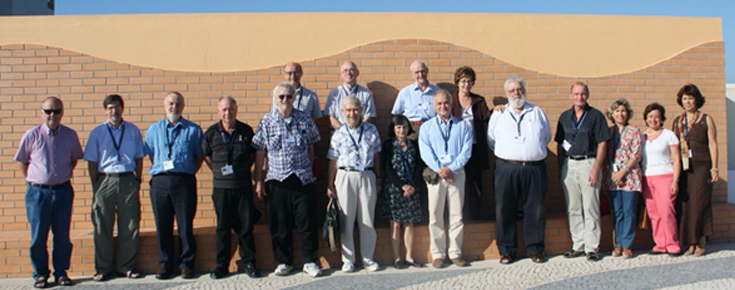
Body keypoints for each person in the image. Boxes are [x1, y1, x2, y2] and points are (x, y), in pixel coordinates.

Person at [253, 82, 322, 277]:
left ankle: (310, 261)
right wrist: (259, 179)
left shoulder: (305, 118)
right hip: (276, 180)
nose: (285, 100)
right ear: (275, 99)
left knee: (306, 223)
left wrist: (311, 171)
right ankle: (284, 261)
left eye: (289, 96)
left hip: (302, 179)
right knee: (279, 224)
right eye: (281, 96)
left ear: (294, 98)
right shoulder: (267, 121)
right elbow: (260, 151)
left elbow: (311, 146)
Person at [15, 96, 83, 288]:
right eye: (48, 111)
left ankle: (61, 272)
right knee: (38, 236)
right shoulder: (32, 134)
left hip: (62, 191)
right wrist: (33, 180)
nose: (52, 115)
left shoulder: (70, 135)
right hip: (38, 193)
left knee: (62, 235)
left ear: (62, 112)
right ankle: (41, 273)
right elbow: (22, 161)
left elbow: (74, 159)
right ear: (42, 112)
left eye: (56, 111)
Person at [487, 76, 551, 264]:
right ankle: (507, 251)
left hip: (534, 168)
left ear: (524, 90)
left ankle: (536, 249)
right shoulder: (498, 114)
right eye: (512, 90)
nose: (516, 93)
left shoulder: (536, 111)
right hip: (507, 168)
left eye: (519, 89)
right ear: (507, 94)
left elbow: (545, 136)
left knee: (536, 210)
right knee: (504, 209)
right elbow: (491, 140)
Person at [83, 94, 144, 281]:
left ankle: (126, 267)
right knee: (102, 226)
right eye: (110, 107)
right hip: (105, 180)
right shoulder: (97, 132)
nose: (113, 111)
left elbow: (139, 157)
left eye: (116, 107)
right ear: (105, 110)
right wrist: (96, 185)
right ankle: (103, 268)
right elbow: (92, 161)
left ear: (122, 108)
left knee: (130, 225)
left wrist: (137, 180)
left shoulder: (133, 130)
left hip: (127, 180)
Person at [144, 91, 204, 280]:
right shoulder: (153, 129)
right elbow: (152, 154)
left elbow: (199, 156)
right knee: (163, 225)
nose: (174, 107)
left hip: (183, 180)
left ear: (183, 106)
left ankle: (186, 264)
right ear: (164, 105)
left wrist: (186, 170)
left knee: (185, 224)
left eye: (177, 104)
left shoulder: (193, 130)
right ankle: (165, 264)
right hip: (160, 181)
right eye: (170, 103)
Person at [202, 96, 259, 279]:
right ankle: (221, 266)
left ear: (236, 109)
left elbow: (252, 156)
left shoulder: (246, 130)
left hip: (242, 187)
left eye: (231, 109)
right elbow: (207, 157)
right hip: (221, 189)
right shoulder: (211, 132)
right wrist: (221, 172)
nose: (228, 113)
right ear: (218, 111)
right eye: (224, 109)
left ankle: (249, 262)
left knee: (246, 227)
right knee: (222, 228)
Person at [555, 82, 611, 261]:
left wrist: (596, 168)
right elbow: (559, 144)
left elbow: (603, 142)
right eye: (576, 94)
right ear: (570, 95)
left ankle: (592, 247)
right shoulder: (564, 117)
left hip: (589, 163)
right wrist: (561, 168)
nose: (580, 97)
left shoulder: (596, 116)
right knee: (573, 208)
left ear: (587, 95)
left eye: (583, 94)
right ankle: (578, 244)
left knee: (590, 207)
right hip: (569, 165)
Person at [326, 95, 382, 273]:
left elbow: (376, 156)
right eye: (348, 110)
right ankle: (348, 259)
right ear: (343, 112)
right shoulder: (339, 133)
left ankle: (368, 258)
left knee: (367, 218)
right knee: (346, 218)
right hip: (345, 176)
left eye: (355, 109)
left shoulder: (372, 130)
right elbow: (332, 160)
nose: (352, 113)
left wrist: (378, 178)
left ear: (361, 110)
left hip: (366, 175)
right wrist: (330, 184)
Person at [418, 89, 473, 268]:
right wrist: (441, 169)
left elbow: (466, 151)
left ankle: (455, 252)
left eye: (446, 103)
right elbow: (425, 152)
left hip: (456, 174)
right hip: (436, 175)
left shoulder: (463, 126)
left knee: (457, 215)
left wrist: (451, 168)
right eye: (439, 103)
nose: (443, 106)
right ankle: (438, 254)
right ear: (434, 106)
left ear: (452, 104)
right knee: (435, 215)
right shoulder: (426, 128)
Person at [672, 84, 718, 256]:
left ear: (697, 100)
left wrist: (714, 167)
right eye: (684, 98)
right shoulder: (678, 121)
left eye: (690, 98)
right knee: (685, 204)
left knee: (700, 203)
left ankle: (701, 240)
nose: (688, 101)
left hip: (702, 166)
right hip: (684, 168)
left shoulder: (706, 119)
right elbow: (673, 146)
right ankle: (689, 242)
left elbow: (712, 143)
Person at [380, 115, 425, 269]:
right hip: (394, 188)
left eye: (405, 126)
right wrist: (401, 185)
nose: (402, 130)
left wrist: (411, 185)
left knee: (409, 223)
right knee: (395, 224)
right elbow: (387, 168)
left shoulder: (414, 145)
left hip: (412, 188)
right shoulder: (388, 146)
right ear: (393, 129)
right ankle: (397, 258)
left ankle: (409, 256)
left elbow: (419, 166)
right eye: (398, 127)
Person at [451, 66, 492, 221]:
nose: (466, 84)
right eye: (463, 81)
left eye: (469, 81)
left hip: (474, 148)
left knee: (474, 183)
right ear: (457, 82)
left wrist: (500, 109)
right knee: (457, 182)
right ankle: (458, 215)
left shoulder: (478, 101)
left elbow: (488, 117)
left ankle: (474, 215)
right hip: (456, 150)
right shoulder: (451, 100)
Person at [641, 103, 681, 256]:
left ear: (662, 118)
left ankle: (672, 243)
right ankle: (660, 243)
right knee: (654, 213)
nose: (653, 119)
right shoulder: (642, 137)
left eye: (657, 116)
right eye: (650, 116)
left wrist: (675, 180)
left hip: (665, 177)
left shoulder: (668, 135)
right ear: (646, 118)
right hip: (647, 178)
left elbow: (676, 160)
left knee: (667, 211)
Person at [604, 98, 642, 259]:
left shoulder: (634, 130)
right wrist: (612, 173)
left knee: (629, 211)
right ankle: (617, 243)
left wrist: (623, 172)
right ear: (612, 113)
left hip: (630, 177)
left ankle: (627, 244)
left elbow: (636, 154)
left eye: (623, 111)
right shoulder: (608, 132)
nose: (620, 114)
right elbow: (604, 154)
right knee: (617, 212)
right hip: (612, 178)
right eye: (617, 111)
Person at [391, 60, 439, 139]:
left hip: (431, 128)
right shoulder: (405, 92)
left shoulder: (437, 91)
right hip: (411, 130)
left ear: (427, 71)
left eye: (422, 71)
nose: (420, 75)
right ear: (412, 74)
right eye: (417, 72)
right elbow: (396, 114)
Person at [323, 61, 377, 129]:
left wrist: (357, 131)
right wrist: (345, 132)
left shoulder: (366, 93)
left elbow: (368, 117)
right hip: (340, 134)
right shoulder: (334, 93)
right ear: (341, 75)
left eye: (352, 70)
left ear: (357, 73)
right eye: (345, 70)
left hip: (361, 133)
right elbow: (331, 118)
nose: (348, 73)